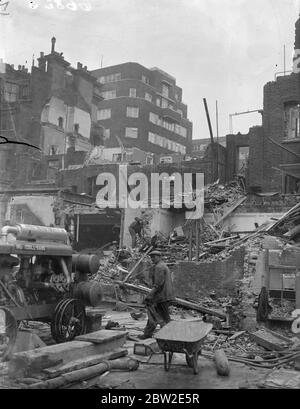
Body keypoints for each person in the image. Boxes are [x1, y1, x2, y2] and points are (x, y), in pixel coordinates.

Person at [138, 250, 175, 339]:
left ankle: (169, 335)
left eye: (154, 257)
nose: (152, 259)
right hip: (164, 295)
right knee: (152, 314)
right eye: (151, 257)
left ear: (159, 257)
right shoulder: (163, 265)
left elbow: (158, 285)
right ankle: (147, 333)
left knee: (164, 318)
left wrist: (149, 295)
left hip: (161, 296)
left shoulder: (159, 267)